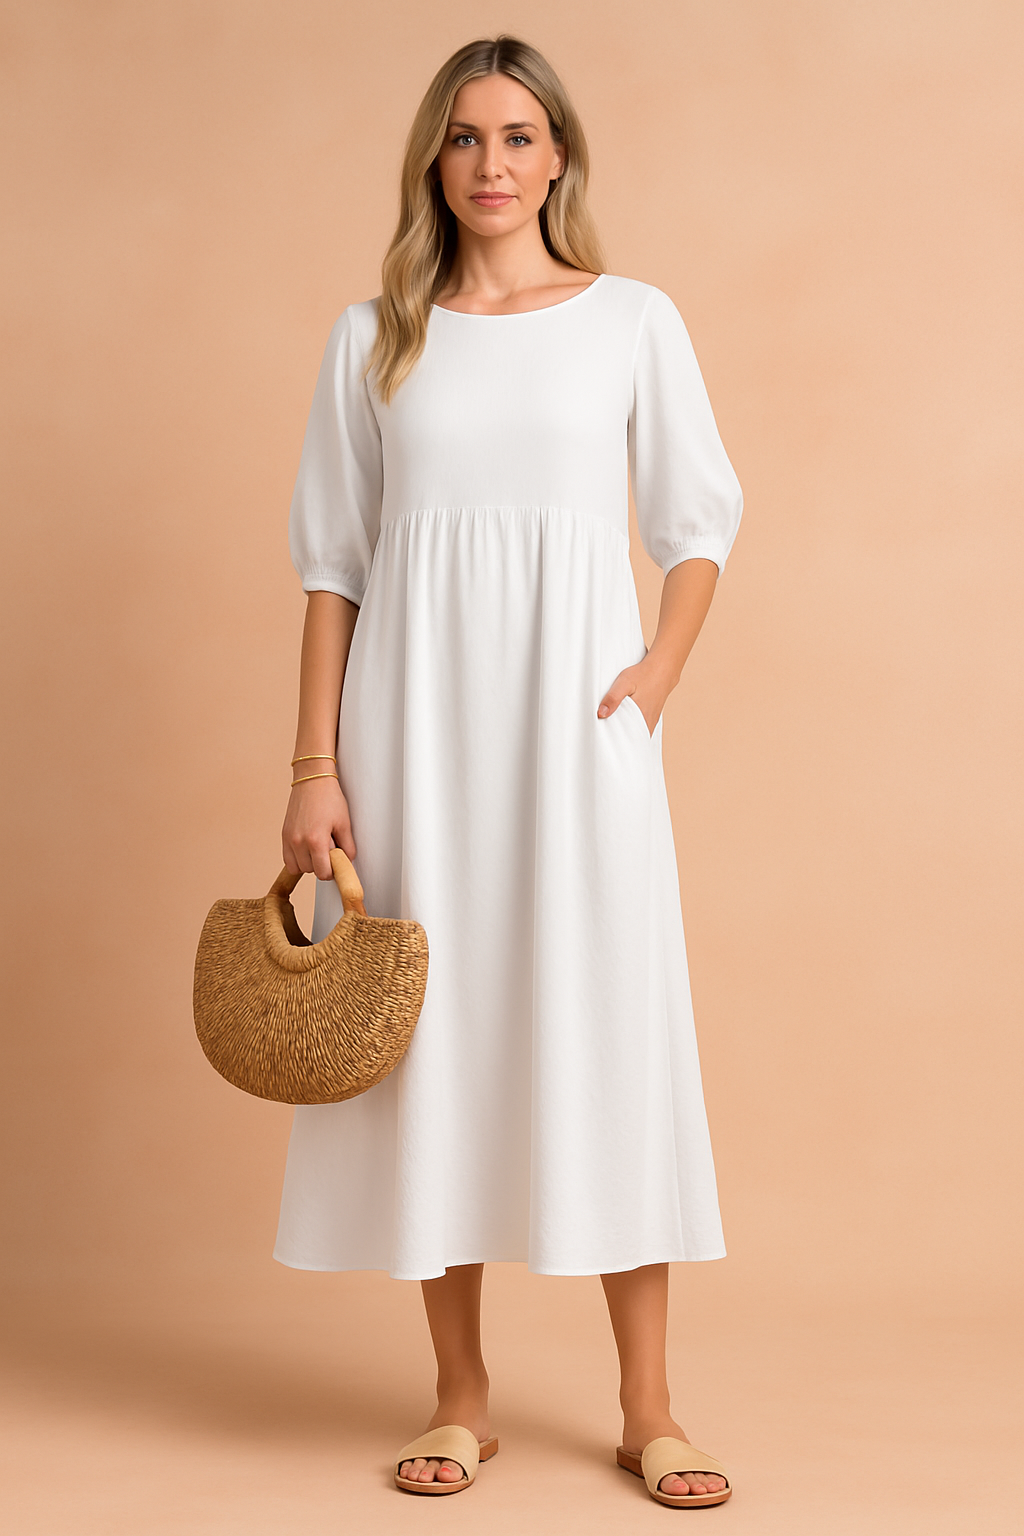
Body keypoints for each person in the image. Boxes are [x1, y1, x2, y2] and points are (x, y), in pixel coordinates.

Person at [275, 33, 743, 1511]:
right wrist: (313, 765)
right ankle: (460, 1397)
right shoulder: (375, 338)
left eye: (521, 136)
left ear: (559, 159)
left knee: (611, 1028)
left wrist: (656, 678)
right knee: (435, 1043)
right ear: (436, 158)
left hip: (576, 732)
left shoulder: (632, 320)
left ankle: (650, 1408)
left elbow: (697, 525)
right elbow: (335, 566)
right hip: (411, 734)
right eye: (468, 136)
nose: (493, 162)